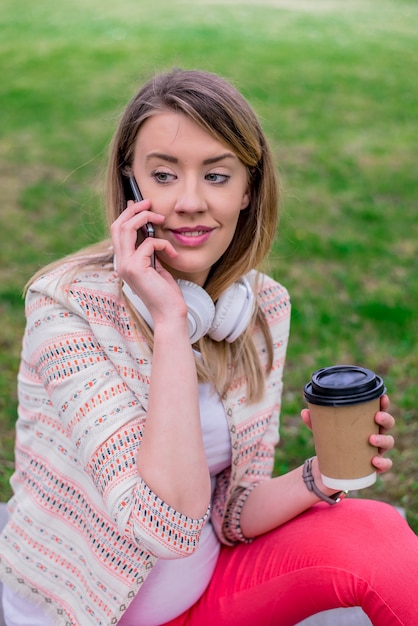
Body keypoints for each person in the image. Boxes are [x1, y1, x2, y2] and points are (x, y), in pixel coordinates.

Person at [0, 68, 417, 626]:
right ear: (132, 186)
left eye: (217, 176)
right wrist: (172, 323)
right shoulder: (65, 307)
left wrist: (319, 476)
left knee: (379, 537)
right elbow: (164, 524)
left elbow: (230, 513)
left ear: (248, 189)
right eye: (165, 175)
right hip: (82, 615)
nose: (190, 202)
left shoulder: (260, 308)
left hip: (203, 597)